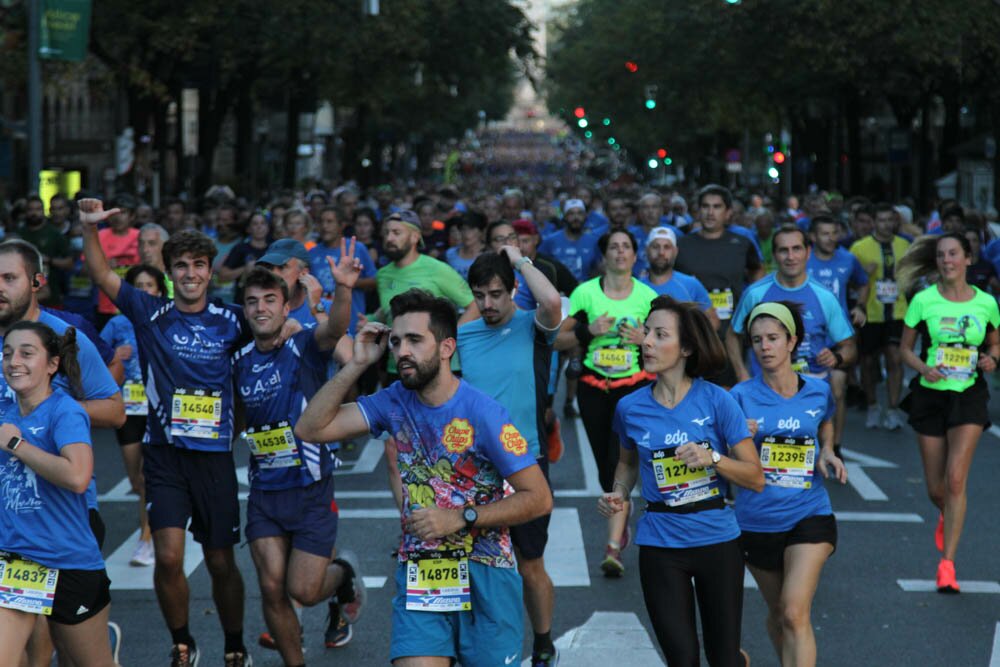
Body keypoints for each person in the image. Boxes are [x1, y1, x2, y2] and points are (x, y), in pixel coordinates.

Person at [294, 289, 552, 667]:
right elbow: (309, 428)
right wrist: (357, 364)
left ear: (447, 347)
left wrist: (461, 516)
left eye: (415, 340)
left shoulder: (485, 414)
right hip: (422, 573)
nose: (402, 352)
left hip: (486, 572)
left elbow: (539, 498)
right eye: (396, 341)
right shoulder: (393, 400)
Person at [79, 198, 253, 666]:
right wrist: (90, 229)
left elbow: (278, 329)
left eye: (199, 265)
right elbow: (101, 276)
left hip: (214, 458)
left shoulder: (233, 319)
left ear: (211, 270)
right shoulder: (149, 312)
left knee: (220, 561)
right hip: (165, 454)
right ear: (170, 271)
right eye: (182, 266)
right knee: (170, 557)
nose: (191, 273)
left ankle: (234, 643)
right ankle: (182, 642)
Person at [598, 296, 763, 666]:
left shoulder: (718, 401)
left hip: (717, 541)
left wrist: (714, 458)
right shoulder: (630, 407)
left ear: (686, 347)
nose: (648, 342)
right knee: (682, 659)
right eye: (647, 333)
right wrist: (618, 494)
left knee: (722, 659)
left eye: (660, 335)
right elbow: (626, 465)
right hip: (660, 543)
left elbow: (755, 477)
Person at [234, 265, 363, 667]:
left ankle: (344, 574)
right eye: (252, 302)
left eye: (270, 300)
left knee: (304, 591)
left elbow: (335, 328)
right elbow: (238, 419)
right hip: (264, 492)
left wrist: (342, 290)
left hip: (310, 488)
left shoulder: (302, 344)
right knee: (272, 588)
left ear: (286, 305)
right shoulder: (237, 359)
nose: (260, 309)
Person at [459, 249, 562, 666]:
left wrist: (518, 259)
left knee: (529, 564)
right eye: (480, 295)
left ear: (514, 290)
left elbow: (553, 302)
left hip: (526, 467)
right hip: (472, 470)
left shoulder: (533, 328)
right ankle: (476, 646)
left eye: (497, 294)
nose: (488, 304)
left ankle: (543, 642)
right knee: (470, 567)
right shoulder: (462, 336)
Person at [731, 301, 848, 666]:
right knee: (780, 613)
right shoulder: (738, 398)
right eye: (757, 340)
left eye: (773, 338)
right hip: (756, 520)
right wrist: (738, 438)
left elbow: (825, 420)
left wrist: (827, 450)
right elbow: (719, 458)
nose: (765, 347)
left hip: (808, 513)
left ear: (791, 341)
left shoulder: (817, 390)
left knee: (796, 611)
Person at [0, 321, 115, 667]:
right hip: (16, 561)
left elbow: (78, 476)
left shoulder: (64, 411)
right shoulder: (4, 417)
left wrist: (17, 445)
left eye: (26, 353)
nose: (13, 361)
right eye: (7, 354)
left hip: (68, 562)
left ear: (51, 365)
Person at [897, 232, 1000, 593]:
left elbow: (995, 341)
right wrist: (923, 369)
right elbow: (905, 350)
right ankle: (946, 513)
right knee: (937, 488)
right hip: (930, 395)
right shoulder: (923, 301)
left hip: (969, 393)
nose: (947, 261)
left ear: (968, 259)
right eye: (941, 255)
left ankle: (947, 565)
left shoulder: (986, 302)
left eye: (954, 254)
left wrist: (993, 358)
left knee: (957, 480)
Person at [556, 229, 658, 576]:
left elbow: (667, 342)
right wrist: (588, 331)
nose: (619, 252)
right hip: (593, 388)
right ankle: (621, 514)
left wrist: (646, 338)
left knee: (621, 459)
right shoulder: (585, 293)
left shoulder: (647, 296)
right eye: (613, 247)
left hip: (633, 389)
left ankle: (612, 546)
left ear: (634, 255)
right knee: (604, 466)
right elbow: (557, 339)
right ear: (603, 256)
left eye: (625, 247)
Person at [100, 265, 169, 568]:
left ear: (159, 291)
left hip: (157, 407)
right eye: (137, 286)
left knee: (147, 474)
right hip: (127, 408)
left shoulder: (167, 318)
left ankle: (147, 538)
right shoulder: (116, 325)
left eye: (149, 286)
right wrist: (115, 354)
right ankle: (156, 519)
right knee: (135, 479)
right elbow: (93, 358)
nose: (143, 291)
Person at [727, 226, 856, 384]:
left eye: (796, 249)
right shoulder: (755, 293)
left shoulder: (825, 296)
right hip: (765, 388)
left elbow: (849, 346)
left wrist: (837, 357)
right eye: (783, 250)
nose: (790, 256)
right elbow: (733, 335)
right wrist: (741, 373)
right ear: (774, 255)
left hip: (811, 388)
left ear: (808, 253)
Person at [675, 185, 764, 387]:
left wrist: (752, 302)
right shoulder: (682, 245)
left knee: (728, 394)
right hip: (691, 331)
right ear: (697, 211)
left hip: (730, 332)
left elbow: (757, 269)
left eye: (717, 207)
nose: (710, 212)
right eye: (705, 206)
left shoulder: (741, 242)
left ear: (728, 213)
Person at [850, 203, 910, 430]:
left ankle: (893, 409)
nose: (886, 224)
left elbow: (913, 275)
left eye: (889, 220)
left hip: (897, 311)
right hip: (871, 313)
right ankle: (873, 405)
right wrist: (865, 274)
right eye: (881, 220)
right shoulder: (859, 248)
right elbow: (852, 282)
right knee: (867, 361)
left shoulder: (904, 245)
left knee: (895, 358)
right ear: (874, 222)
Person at [640, 226, 719, 330]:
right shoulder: (636, 287)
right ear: (647, 250)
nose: (661, 253)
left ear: (675, 251)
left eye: (667, 247)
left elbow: (714, 321)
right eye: (655, 246)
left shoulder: (691, 284)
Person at [538, 199, 601, 283]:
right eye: (571, 214)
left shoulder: (594, 241)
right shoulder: (550, 241)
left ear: (585, 216)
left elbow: (598, 269)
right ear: (564, 216)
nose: (576, 217)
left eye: (580, 213)